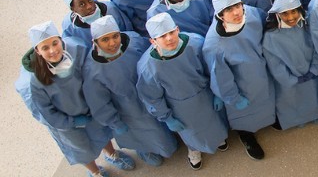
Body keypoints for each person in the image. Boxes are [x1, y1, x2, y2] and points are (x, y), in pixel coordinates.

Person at [16, 22, 132, 177]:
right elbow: (45, 113)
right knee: (81, 148)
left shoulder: (77, 49)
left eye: (55, 43)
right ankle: (94, 171)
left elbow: (93, 71)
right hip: (66, 122)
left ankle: (111, 154)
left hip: (91, 107)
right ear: (37, 51)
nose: (53, 50)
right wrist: (72, 122)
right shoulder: (34, 81)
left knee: (101, 133)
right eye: (45, 48)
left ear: (61, 40)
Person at [136, 13, 229, 170]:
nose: (169, 38)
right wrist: (167, 118)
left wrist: (217, 93)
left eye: (171, 32)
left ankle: (218, 138)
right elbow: (152, 98)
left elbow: (212, 70)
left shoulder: (195, 43)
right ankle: (194, 149)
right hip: (180, 108)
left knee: (214, 122)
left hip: (206, 96)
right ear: (153, 41)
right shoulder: (148, 68)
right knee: (191, 133)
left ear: (177, 29)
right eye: (162, 36)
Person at [82, 16, 178, 167]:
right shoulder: (93, 71)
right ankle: (145, 149)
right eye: (105, 40)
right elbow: (99, 103)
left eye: (115, 36)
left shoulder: (133, 41)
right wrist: (114, 123)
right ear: (95, 43)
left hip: (152, 95)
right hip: (129, 110)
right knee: (144, 133)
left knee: (162, 125)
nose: (113, 43)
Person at [203, 0, 276, 160]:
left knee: (268, 98)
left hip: (262, 72)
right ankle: (246, 135)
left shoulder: (250, 14)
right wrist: (233, 98)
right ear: (220, 15)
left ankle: (270, 119)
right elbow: (220, 79)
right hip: (241, 84)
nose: (236, 12)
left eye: (237, 6)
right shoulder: (214, 46)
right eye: (228, 9)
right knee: (244, 115)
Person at [261, 0, 318, 129]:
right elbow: (275, 65)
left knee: (313, 93)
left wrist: (315, 68)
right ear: (277, 14)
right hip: (289, 79)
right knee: (293, 99)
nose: (290, 17)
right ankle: (298, 118)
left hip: (311, 72)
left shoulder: (307, 26)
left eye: (293, 11)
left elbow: (316, 48)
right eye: (285, 13)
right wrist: (290, 79)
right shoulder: (271, 37)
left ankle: (316, 113)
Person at [60, 0, 132, 45]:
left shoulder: (111, 10)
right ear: (73, 9)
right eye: (82, 4)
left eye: (90, 0)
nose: (89, 6)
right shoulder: (70, 27)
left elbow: (129, 33)